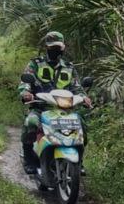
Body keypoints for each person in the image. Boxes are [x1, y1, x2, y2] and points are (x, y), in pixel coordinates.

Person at [18, 31, 84, 176]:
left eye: (58, 47)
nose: (55, 50)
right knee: (31, 122)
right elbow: (24, 83)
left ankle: (79, 161)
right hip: (41, 107)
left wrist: (84, 97)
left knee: (82, 125)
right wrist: (26, 93)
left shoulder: (69, 67)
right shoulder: (36, 64)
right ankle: (29, 160)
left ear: (63, 48)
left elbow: (77, 87)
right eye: (52, 47)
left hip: (65, 109)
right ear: (47, 47)